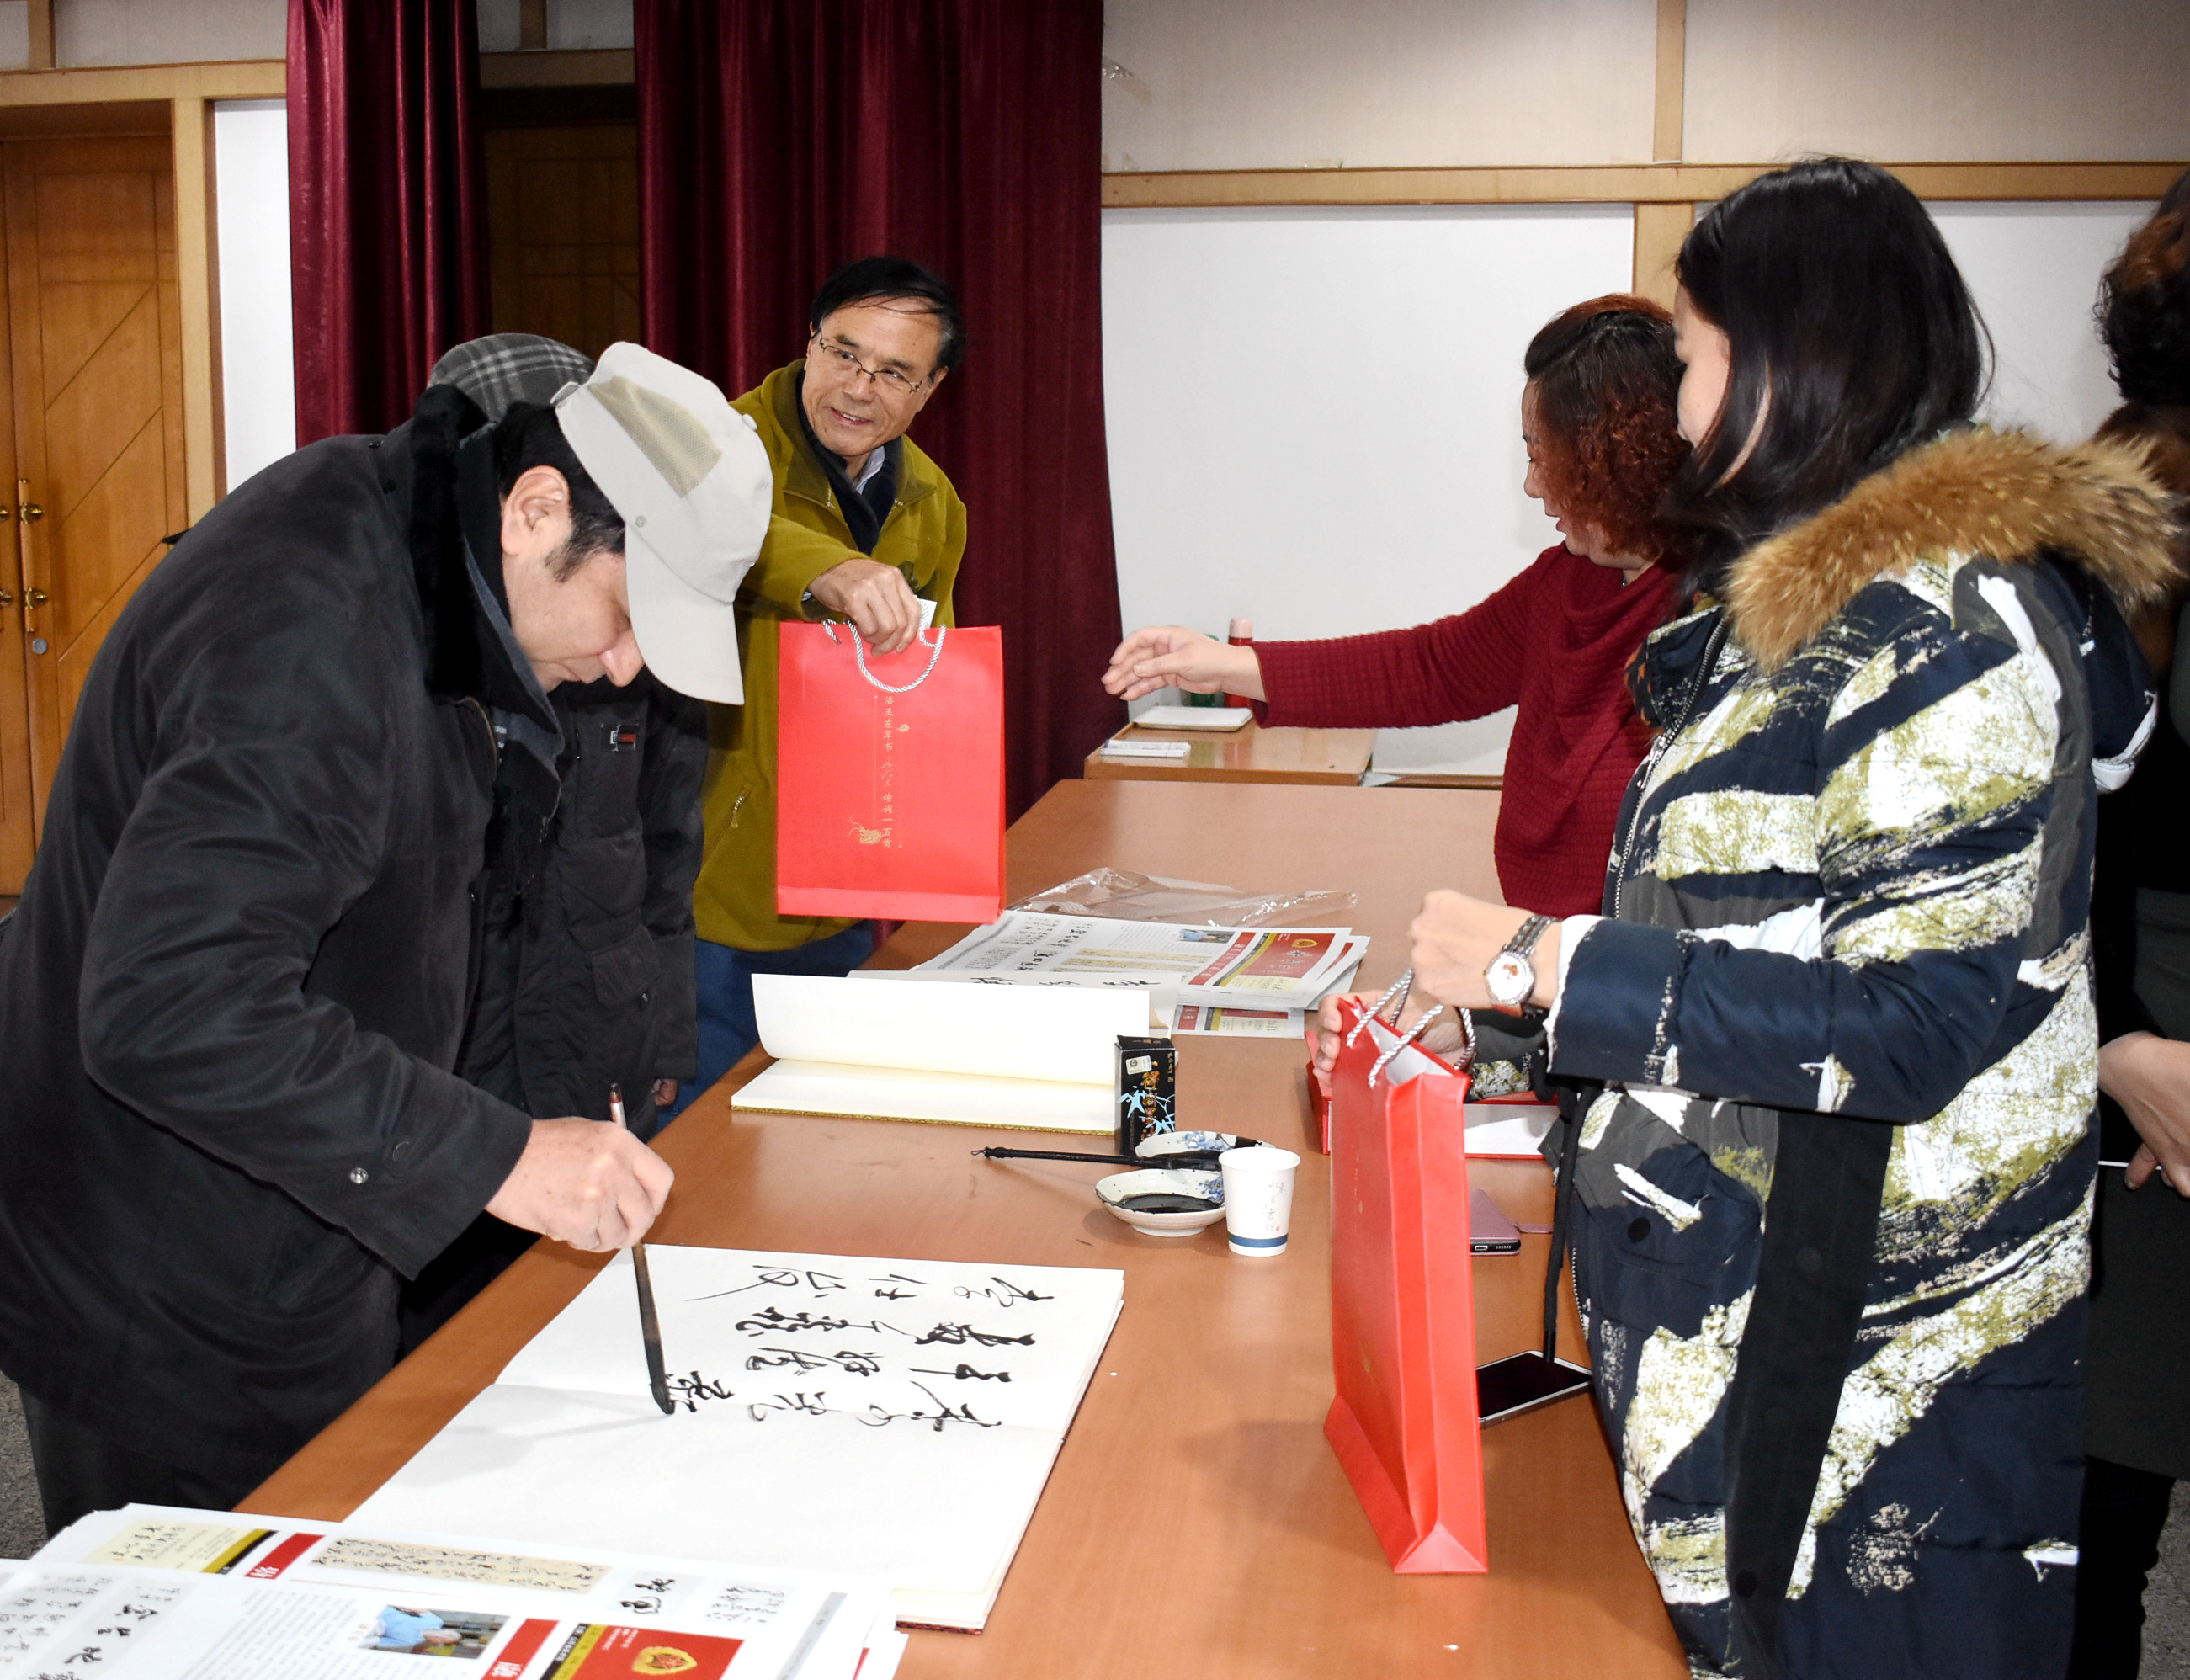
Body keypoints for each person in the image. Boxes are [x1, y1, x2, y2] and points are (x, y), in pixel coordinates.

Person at [1321, 159, 2171, 1677]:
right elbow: (1755, 925)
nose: (1683, 401)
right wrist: (1523, 1005)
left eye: (1697, 350)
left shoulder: (1947, 628)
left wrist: (1545, 960)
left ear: (1797, 354)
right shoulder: (1805, 608)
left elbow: (1911, 1027)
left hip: (1872, 1364)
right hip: (1754, 1297)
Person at [0, 339, 770, 1532]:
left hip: (298, 1196)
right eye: (627, 617)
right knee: (206, 1605)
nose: (625, 667)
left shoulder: (433, 567)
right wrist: (498, 1158)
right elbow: (173, 1007)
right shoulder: (306, 636)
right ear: (536, 509)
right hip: (157, 1250)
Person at [1103, 295, 1690, 918]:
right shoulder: (1569, 580)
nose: (1533, 484)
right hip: (1545, 956)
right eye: (1531, 456)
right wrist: (1225, 666)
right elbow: (1431, 669)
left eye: (1547, 459)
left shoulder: (1703, 617)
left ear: (1625, 463)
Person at [396, 336, 710, 1352]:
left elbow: (667, 852)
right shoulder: (406, 645)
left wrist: (662, 1039)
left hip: (585, 1022)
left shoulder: (630, 633)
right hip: (446, 1051)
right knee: (432, 1323)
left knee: (557, 1327)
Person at [679, 257, 969, 1108]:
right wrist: (827, 569)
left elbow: (926, 681)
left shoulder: (932, 501)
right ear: (807, 345)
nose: (858, 387)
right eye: (843, 353)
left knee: (811, 1117)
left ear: (929, 389)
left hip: (846, 867)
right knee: (698, 1125)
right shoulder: (716, 447)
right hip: (704, 873)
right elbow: (710, 535)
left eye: (893, 372)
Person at [2074, 166, 2190, 1680]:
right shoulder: (2123, 498)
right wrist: (2119, 1034)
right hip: (2150, 1029)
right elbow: (2063, 814)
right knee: (2109, 1495)